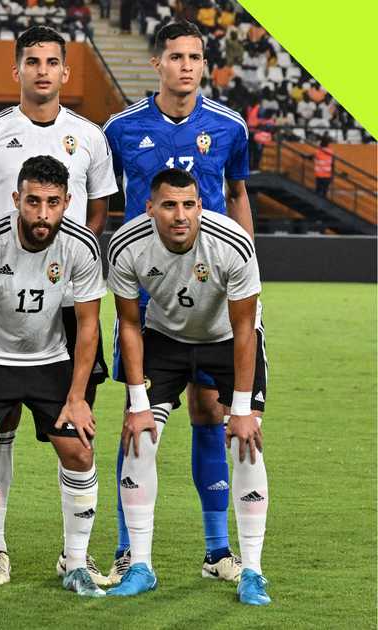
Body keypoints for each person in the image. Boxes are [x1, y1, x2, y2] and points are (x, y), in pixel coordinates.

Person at [0, 25, 117, 586]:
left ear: (65, 72)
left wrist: (70, 270)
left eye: (53, 62)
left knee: (75, 438)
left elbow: (95, 215)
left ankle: (75, 559)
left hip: (62, 314)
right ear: (16, 69)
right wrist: (1, 267)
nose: (43, 70)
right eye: (33, 61)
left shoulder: (90, 137)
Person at [102, 20, 253, 584]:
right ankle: (126, 548)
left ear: (204, 63)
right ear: (157, 63)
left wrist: (248, 273)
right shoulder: (119, 128)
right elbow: (103, 204)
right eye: (175, 56)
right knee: (138, 418)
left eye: (195, 56)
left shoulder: (229, 126)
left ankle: (217, 551)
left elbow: (238, 197)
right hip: (146, 291)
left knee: (211, 411)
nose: (185, 66)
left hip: (214, 289)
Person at [105, 168, 270, 607]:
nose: (181, 216)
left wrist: (240, 409)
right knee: (139, 435)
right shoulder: (126, 245)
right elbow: (129, 323)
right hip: (166, 339)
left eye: (189, 205)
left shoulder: (232, 242)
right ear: (150, 208)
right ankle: (140, 565)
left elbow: (243, 330)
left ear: (200, 205)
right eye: (170, 205)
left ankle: (252, 571)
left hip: (226, 340)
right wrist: (137, 402)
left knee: (246, 440)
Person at [0, 156, 106, 599]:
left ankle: (75, 563)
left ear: (67, 202)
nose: (43, 214)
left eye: (53, 203)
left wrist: (77, 397)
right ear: (16, 199)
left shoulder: (80, 246)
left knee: (78, 451)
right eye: (34, 201)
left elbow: (90, 327)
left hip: (49, 359)